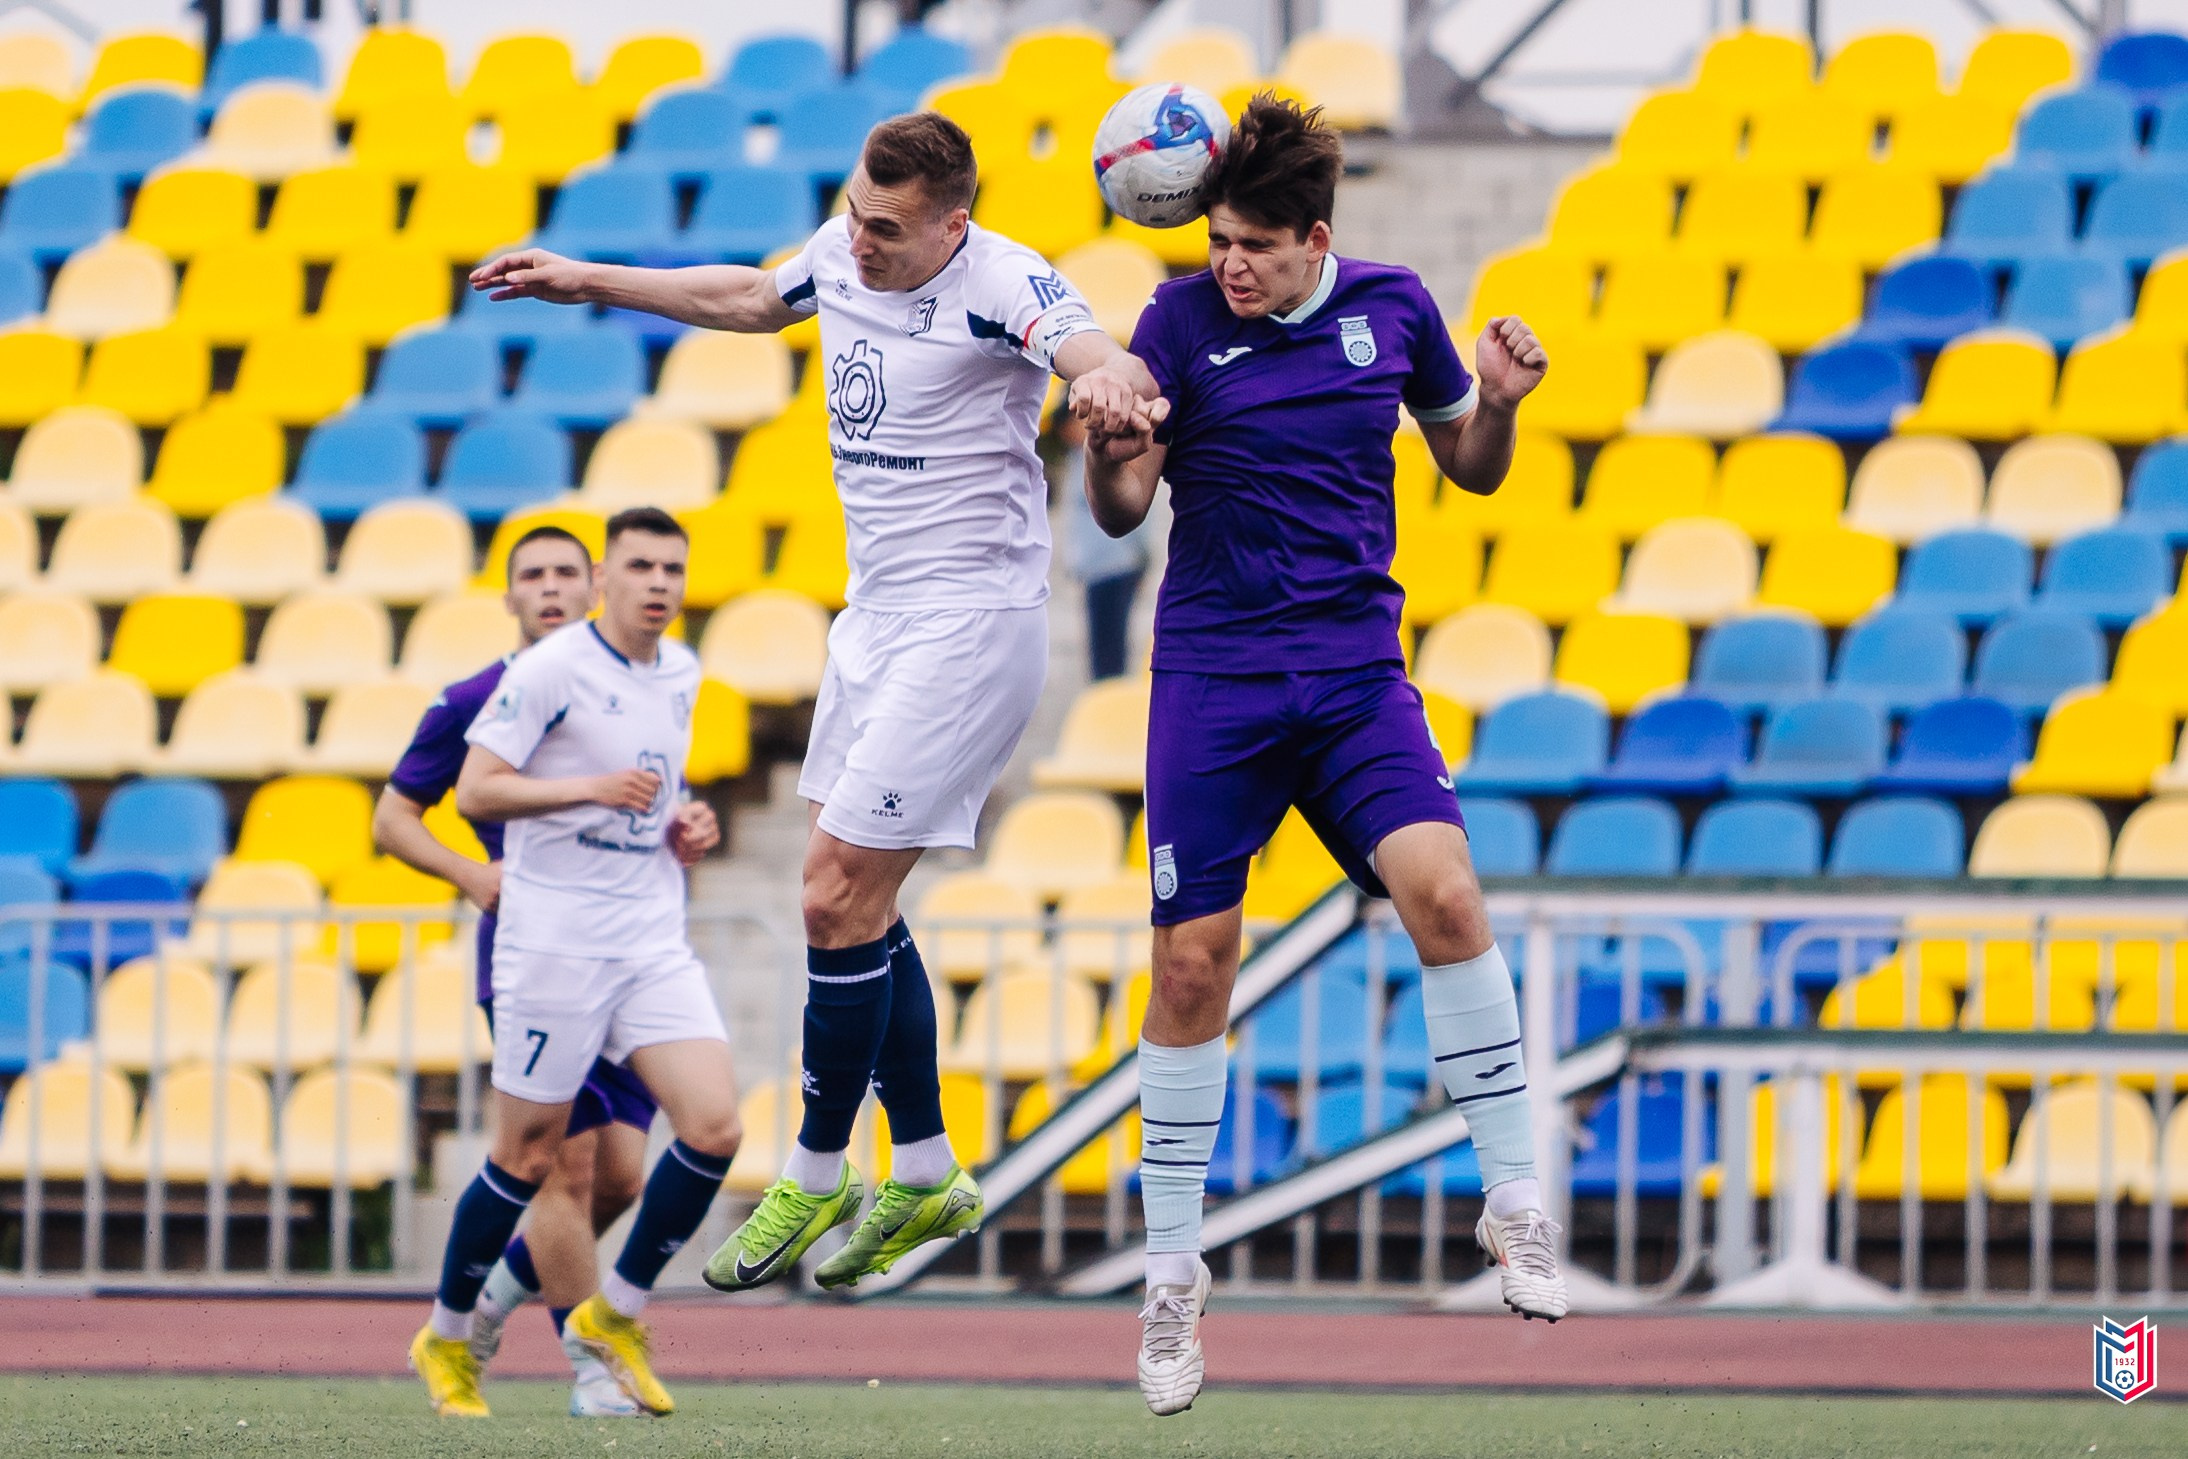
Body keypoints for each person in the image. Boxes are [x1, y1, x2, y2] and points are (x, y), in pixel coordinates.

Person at [467, 111, 1161, 1293]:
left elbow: (1091, 347)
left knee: (831, 890)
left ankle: (819, 1159)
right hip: (874, 622)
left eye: (886, 227)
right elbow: (752, 297)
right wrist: (585, 279)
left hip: (969, 623)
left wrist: (1117, 386)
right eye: (851, 211)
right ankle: (931, 1159)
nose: (859, 240)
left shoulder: (1002, 279)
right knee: (858, 905)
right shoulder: (846, 249)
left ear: (955, 221)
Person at [1071, 97, 1568, 1417]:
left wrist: (1501, 403)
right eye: (1217, 239)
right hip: (1216, 681)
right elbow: (1123, 509)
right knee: (1192, 964)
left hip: (1354, 678)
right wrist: (1112, 456)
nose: (1227, 263)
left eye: (1252, 246)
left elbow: (1470, 462)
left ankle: (1514, 1197)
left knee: (1449, 896)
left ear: (1316, 239)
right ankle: (1173, 1268)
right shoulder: (1175, 322)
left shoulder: (1398, 308)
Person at [407, 508, 739, 1420]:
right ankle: (445, 1334)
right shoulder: (546, 671)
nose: (659, 582)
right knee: (531, 1158)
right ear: (607, 578)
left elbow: (654, 786)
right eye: (640, 566)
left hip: (648, 932)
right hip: (552, 939)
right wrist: (586, 790)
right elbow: (475, 789)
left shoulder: (682, 670)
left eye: (673, 567)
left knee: (712, 1128)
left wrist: (685, 823)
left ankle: (612, 1316)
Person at [374, 526, 663, 1419]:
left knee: (619, 1178)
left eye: (565, 573)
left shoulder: (641, 686)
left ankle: (487, 1304)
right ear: (508, 597)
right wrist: (470, 874)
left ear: (595, 586)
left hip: (625, 945)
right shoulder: (474, 696)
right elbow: (394, 818)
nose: (549, 587)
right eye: (530, 575)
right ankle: (590, 1369)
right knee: (559, 1173)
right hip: (534, 951)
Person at [1055, 411, 1152, 681]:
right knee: (1108, 659)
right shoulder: (1088, 456)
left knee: (1107, 667)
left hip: (1110, 561)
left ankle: (1110, 713)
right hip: (1111, 561)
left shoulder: (1107, 451)